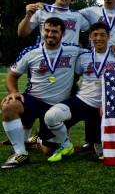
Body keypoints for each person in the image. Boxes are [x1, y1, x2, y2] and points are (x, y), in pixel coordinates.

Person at [1, 17, 81, 168]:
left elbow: (97, 52)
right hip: (33, 100)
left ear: (62, 34)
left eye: (55, 32)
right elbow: (11, 75)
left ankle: (38, 139)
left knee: (48, 151)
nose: (50, 34)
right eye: (48, 30)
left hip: (55, 108)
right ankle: (20, 153)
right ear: (43, 30)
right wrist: (13, 92)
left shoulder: (74, 50)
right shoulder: (30, 52)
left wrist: (114, 50)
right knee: (8, 105)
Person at [43, 22, 115, 162]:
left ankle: (97, 140)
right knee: (51, 116)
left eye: (102, 35)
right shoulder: (83, 56)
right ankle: (66, 145)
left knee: (102, 153)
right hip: (83, 100)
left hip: (104, 105)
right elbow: (75, 76)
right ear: (90, 37)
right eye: (95, 35)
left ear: (109, 37)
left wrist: (108, 104)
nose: (98, 38)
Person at [17, 0, 90, 45]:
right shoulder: (41, 10)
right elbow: (22, 33)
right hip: (45, 57)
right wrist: (27, 16)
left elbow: (94, 28)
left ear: (72, 0)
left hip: (68, 59)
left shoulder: (77, 16)